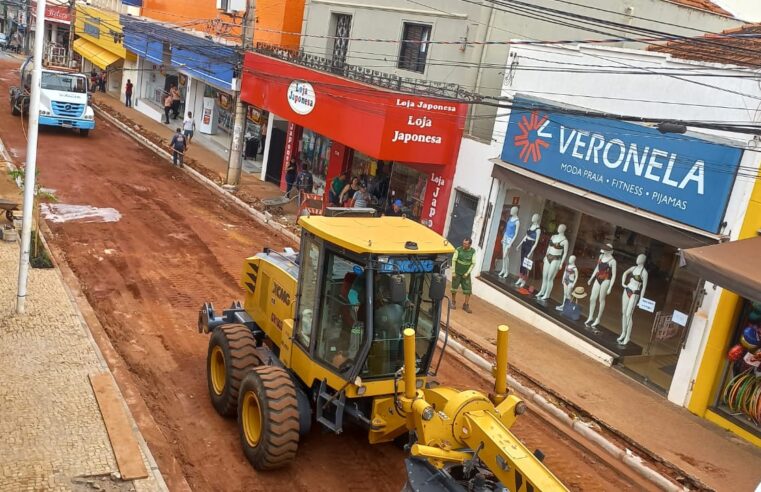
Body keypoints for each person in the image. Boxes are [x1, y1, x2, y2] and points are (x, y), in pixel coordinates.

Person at [451, 238, 476, 313]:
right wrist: (453, 272)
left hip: (466, 274)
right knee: (454, 288)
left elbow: (473, 263)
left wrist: (467, 273)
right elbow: (453, 260)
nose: (464, 245)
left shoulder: (473, 251)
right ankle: (453, 302)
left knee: (468, 290)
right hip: (457, 272)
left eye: (466, 244)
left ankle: (466, 305)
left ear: (470, 244)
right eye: (463, 243)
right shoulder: (458, 250)